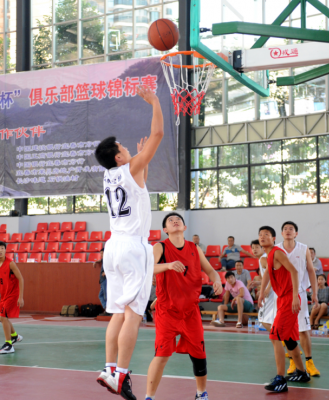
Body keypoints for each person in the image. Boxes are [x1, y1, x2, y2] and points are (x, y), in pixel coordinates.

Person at [94, 85, 164, 400]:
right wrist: (155, 101)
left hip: (113, 248)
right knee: (133, 314)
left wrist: (140, 158)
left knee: (118, 314)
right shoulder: (128, 168)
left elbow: (139, 184)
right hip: (134, 248)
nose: (128, 149)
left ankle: (109, 369)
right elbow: (158, 134)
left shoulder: (110, 176)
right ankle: (121, 376)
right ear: (119, 156)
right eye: (124, 148)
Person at [145, 212, 222, 400]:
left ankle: (201, 394)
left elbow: (210, 270)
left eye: (178, 219)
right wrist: (169, 265)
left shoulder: (194, 248)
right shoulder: (160, 247)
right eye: (170, 220)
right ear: (165, 229)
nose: (175, 221)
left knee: (199, 355)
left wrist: (217, 280)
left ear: (184, 227)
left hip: (190, 311)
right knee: (162, 355)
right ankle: (149, 397)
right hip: (167, 311)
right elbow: (147, 269)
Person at [257, 226, 310, 393]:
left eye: (266, 234)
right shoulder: (269, 256)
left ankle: (280, 379)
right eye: (260, 235)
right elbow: (267, 274)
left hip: (289, 299)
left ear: (274, 238)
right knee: (288, 339)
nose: (262, 237)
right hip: (282, 299)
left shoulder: (277, 252)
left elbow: (294, 271)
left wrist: (294, 296)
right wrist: (261, 292)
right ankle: (302, 372)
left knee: (275, 337)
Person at [276, 222, 320, 377]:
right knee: (286, 331)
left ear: (296, 233)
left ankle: (309, 362)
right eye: (285, 229)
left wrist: (314, 293)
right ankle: (293, 361)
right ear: (282, 233)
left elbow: (311, 271)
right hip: (282, 295)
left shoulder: (303, 248)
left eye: (291, 229)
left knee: (303, 330)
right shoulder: (277, 249)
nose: (288, 231)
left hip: (300, 294)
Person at [0, 241, 25, 354]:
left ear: (5, 250)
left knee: (3, 317)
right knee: (1, 318)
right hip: (4, 294)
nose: (0, 250)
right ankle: (15, 336)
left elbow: (21, 279)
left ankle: (8, 344)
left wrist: (20, 297)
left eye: (2, 248)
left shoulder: (11, 263)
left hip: (13, 294)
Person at [94, 248, 108, 313]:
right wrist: (96, 262)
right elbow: (101, 260)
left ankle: (108, 310)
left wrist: (106, 272)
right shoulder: (104, 260)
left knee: (105, 296)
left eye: (102, 253)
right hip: (102, 281)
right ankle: (106, 308)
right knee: (101, 295)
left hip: (105, 280)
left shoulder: (108, 260)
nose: (101, 254)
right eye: (100, 253)